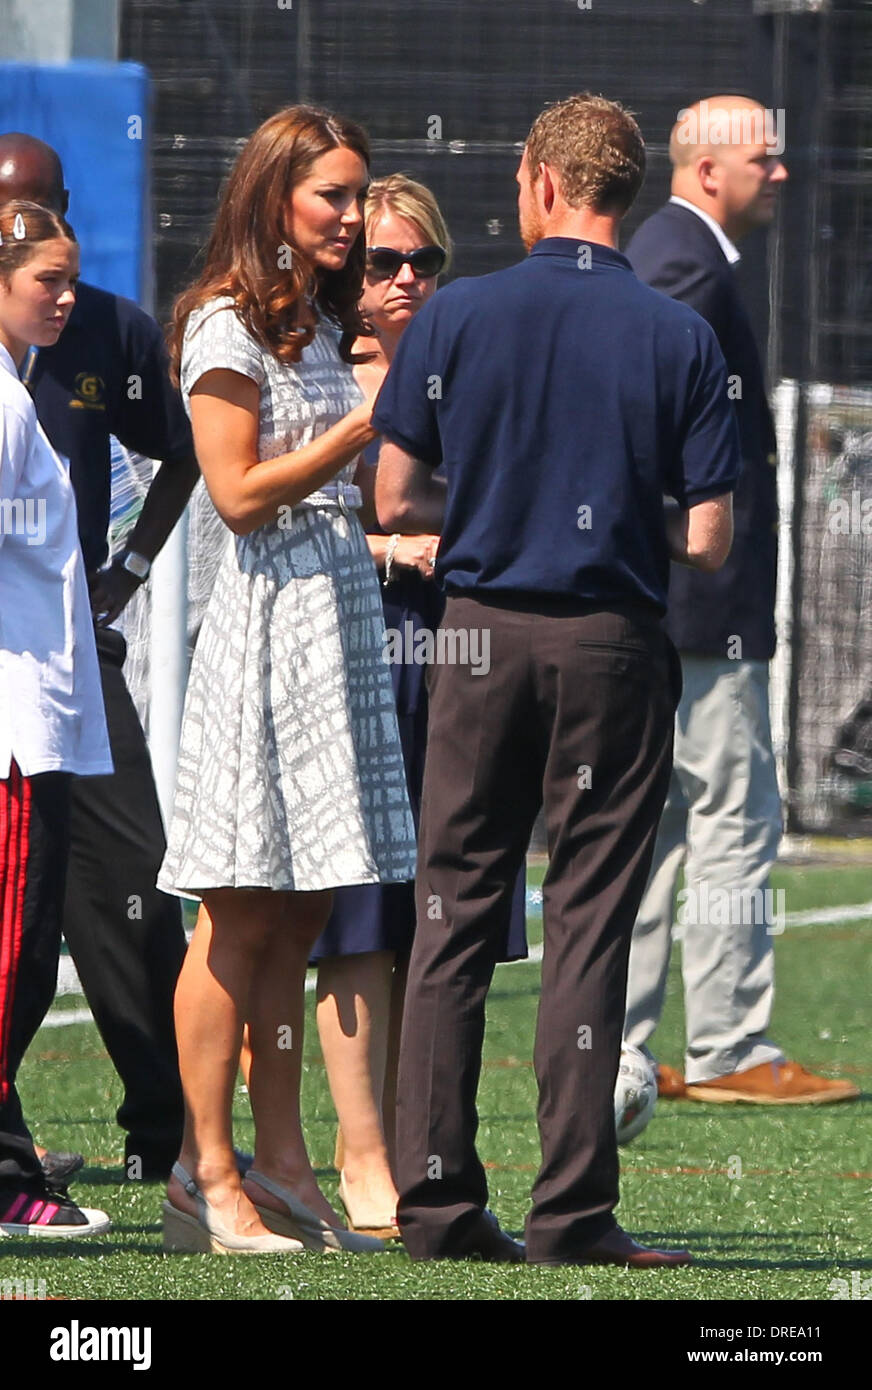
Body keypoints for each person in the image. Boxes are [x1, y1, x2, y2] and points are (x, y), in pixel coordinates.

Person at [375, 92, 738, 1267]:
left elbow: (392, 498)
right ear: (623, 199)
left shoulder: (458, 313)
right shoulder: (678, 334)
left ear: (537, 182)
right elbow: (708, 540)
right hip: (610, 647)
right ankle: (570, 1213)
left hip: (475, 633)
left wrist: (484, 507)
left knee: (449, 920)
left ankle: (432, 1207)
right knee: (588, 924)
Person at [157, 105, 417, 1255]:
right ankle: (202, 1174)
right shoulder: (221, 322)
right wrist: (361, 427)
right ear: (274, 197)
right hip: (264, 629)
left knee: (305, 903)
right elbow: (236, 493)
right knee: (236, 907)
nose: (354, 217)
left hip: (335, 626)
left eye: (358, 195)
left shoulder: (314, 321)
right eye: (334, 196)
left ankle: (283, 1164)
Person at [623, 96, 859, 1105]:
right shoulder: (682, 257)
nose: (781, 172)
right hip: (693, 602)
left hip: (677, 599)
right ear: (706, 167)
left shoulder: (687, 252)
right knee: (728, 814)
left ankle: (622, 1043)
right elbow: (645, 411)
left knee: (664, 824)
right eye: (764, 157)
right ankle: (725, 1044)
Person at [309, 175, 528, 1239]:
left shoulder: (469, 364)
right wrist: (390, 543)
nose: (402, 281)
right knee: (358, 909)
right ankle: (361, 1156)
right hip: (358, 649)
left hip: (464, 644)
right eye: (380, 262)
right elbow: (260, 516)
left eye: (422, 262)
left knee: (442, 912)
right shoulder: (324, 372)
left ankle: (423, 1146)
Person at [0, 132, 200, 1183]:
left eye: (43, 214)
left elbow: (180, 456)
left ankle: (167, 1135)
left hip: (75, 651)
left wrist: (122, 572)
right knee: (12, 914)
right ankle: (11, 1145)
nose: (35, 251)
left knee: (132, 873)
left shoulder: (103, 327)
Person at [0, 199, 112, 1236]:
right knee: (14, 958)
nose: (68, 297)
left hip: (43, 716)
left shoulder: (23, 389)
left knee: (26, 957)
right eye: (49, 280)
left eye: (74, 279)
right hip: (15, 728)